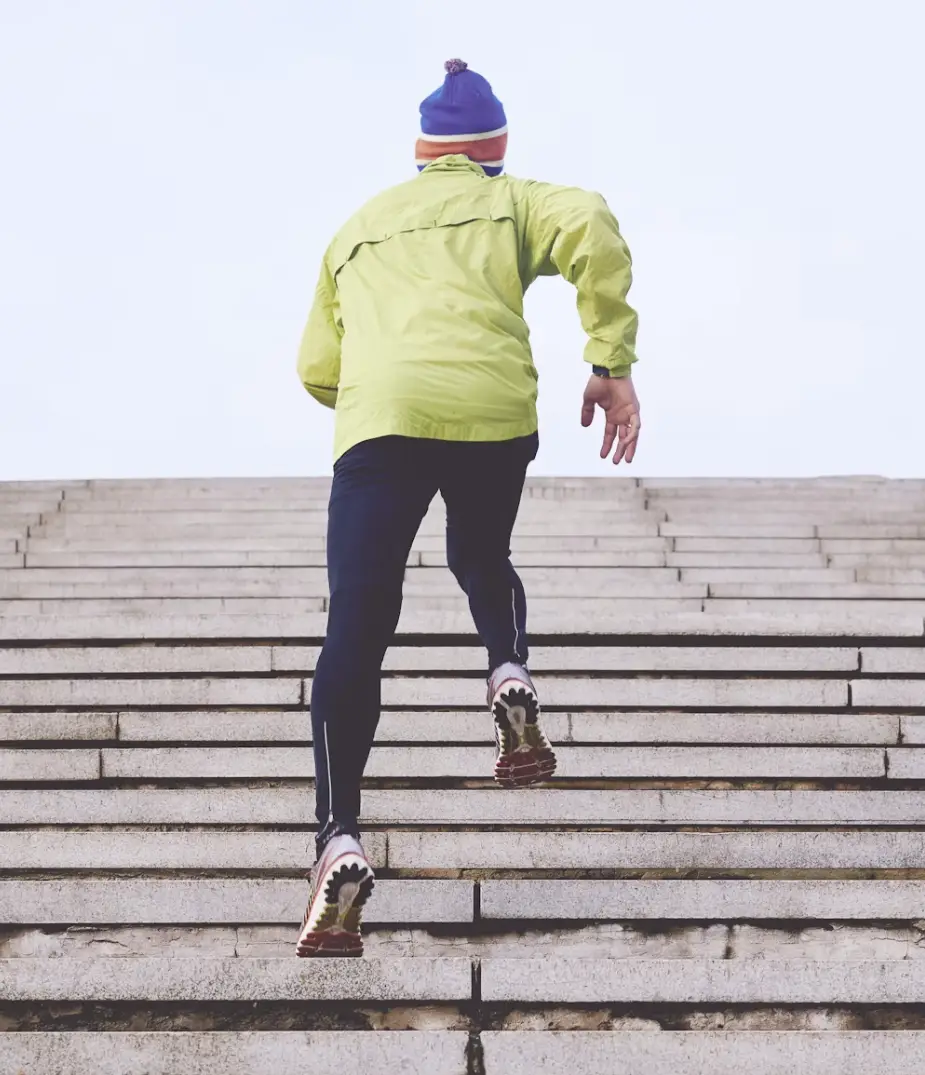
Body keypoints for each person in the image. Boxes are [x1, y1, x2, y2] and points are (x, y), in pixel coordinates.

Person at [295, 59, 641, 957]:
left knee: (358, 623)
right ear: (493, 150)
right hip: (491, 411)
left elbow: (315, 367)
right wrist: (609, 359)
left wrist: (382, 385)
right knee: (480, 556)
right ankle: (507, 668)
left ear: (421, 152)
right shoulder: (514, 199)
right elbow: (592, 223)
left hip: (381, 424)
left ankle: (338, 834)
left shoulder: (356, 226)